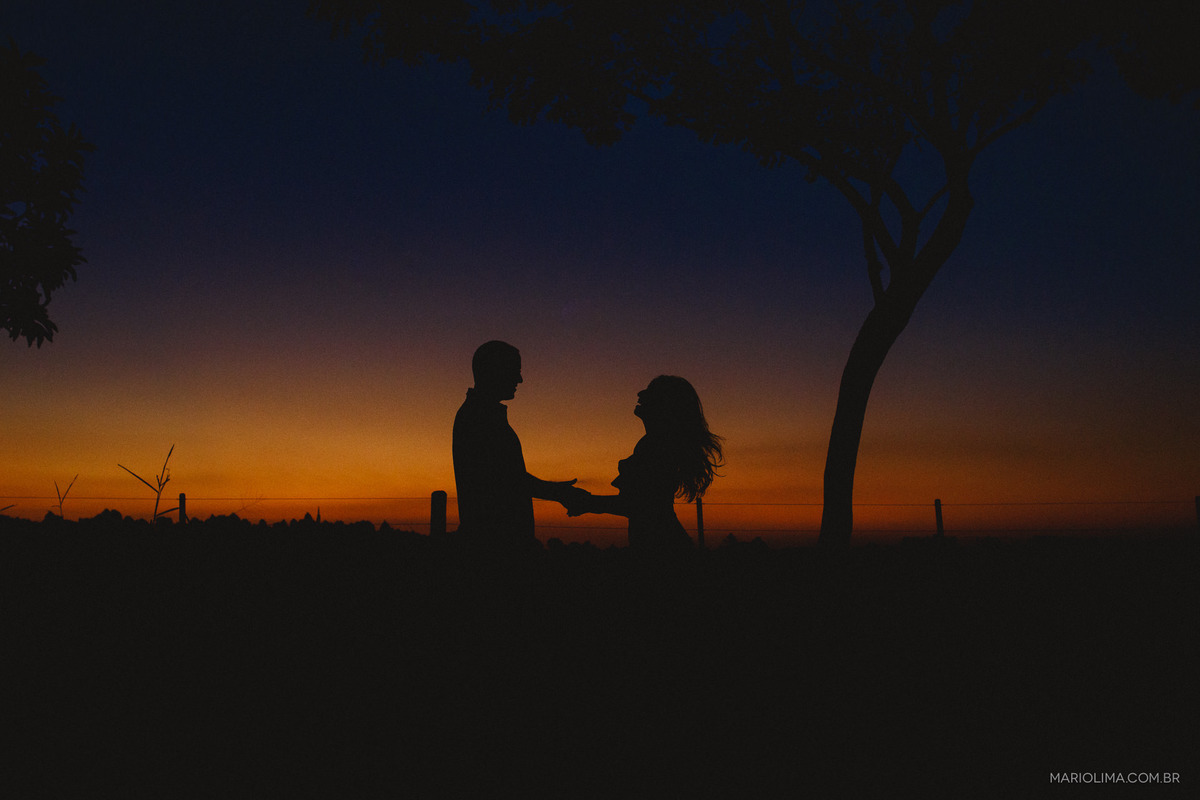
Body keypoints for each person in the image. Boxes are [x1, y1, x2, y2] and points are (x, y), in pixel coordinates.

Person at [566, 375, 723, 551]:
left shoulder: (658, 445)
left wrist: (587, 503)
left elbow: (642, 505)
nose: (640, 394)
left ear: (666, 404)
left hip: (661, 547)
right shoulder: (654, 443)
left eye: (651, 392)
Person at [452, 340, 583, 550]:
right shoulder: (478, 417)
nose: (520, 379)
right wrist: (557, 492)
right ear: (493, 371)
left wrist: (555, 490)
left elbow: (506, 476)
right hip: (494, 546)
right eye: (514, 370)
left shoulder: (481, 414)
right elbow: (505, 479)